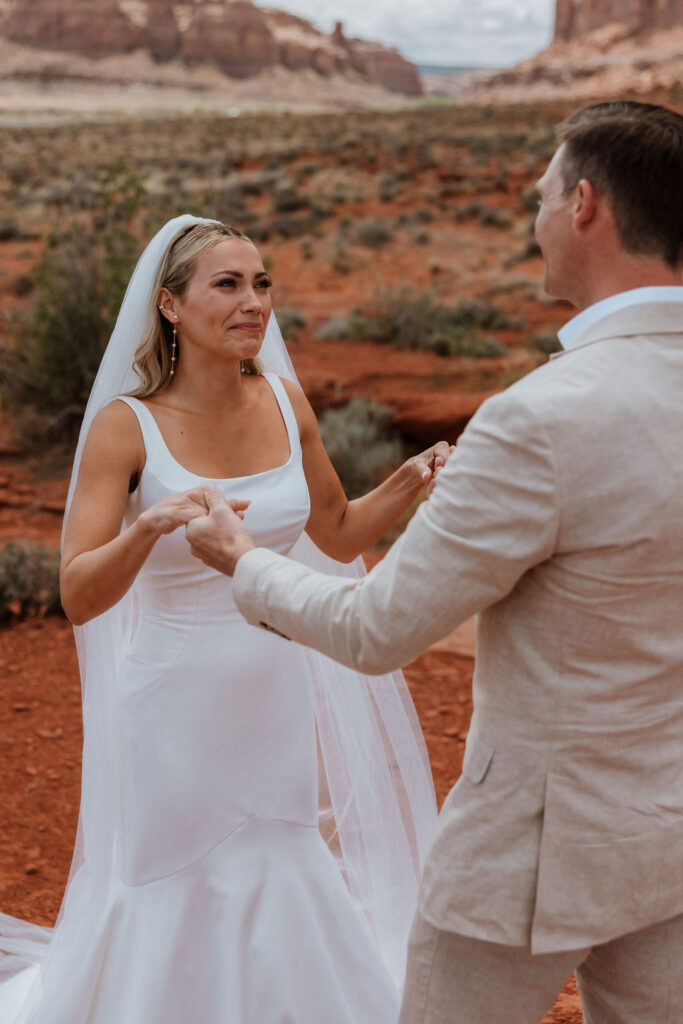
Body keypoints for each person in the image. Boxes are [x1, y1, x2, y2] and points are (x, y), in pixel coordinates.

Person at [184, 101, 683, 1023]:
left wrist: (243, 560)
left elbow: (375, 631)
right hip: (667, 839)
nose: (532, 222)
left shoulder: (537, 418)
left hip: (523, 859)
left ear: (583, 206)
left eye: (539, 198)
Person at [0, 216, 441, 1024]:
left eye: (262, 283)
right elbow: (77, 593)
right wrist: (145, 528)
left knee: (279, 856)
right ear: (170, 305)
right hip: (168, 702)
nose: (254, 303)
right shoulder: (124, 427)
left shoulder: (284, 401)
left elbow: (337, 531)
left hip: (272, 691)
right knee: (171, 880)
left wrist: (408, 481)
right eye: (228, 285)